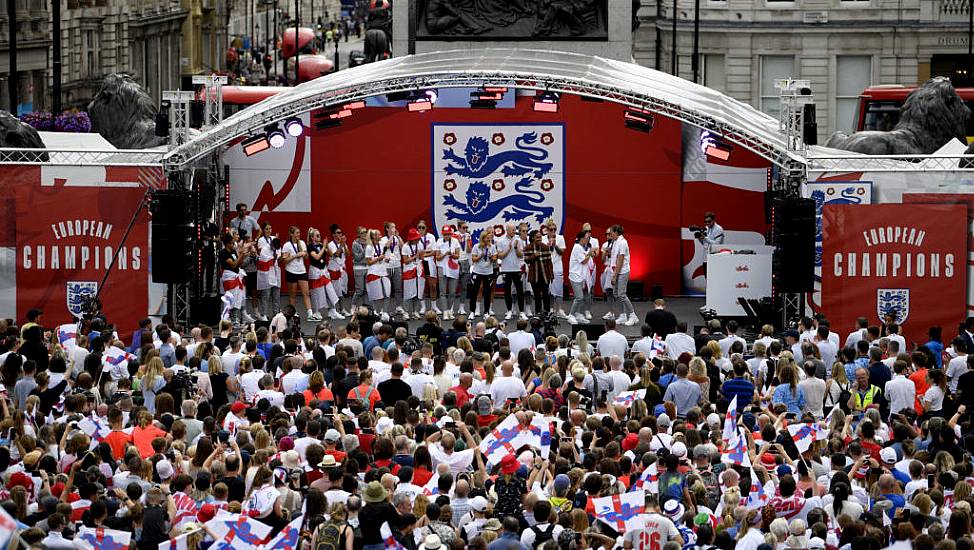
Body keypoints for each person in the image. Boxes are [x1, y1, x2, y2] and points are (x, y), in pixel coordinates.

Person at [307, 227, 342, 321]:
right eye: (317, 235)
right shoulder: (310, 246)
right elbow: (317, 257)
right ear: (312, 237)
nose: (319, 237)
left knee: (330, 290)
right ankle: (316, 312)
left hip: (324, 271)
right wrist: (324, 247)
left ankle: (333, 310)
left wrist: (326, 247)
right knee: (317, 292)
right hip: (315, 272)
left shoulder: (322, 245)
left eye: (319, 235)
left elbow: (332, 255)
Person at [606, 225, 638, 326]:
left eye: (611, 233)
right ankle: (623, 316)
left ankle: (633, 316)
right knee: (616, 294)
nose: (610, 235)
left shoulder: (623, 242)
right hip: (616, 270)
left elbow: (620, 260)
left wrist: (614, 275)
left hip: (623, 271)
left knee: (622, 294)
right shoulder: (615, 242)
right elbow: (614, 258)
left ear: (616, 232)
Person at [281, 225, 313, 320]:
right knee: (292, 295)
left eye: (299, 233)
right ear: (291, 234)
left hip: (302, 271)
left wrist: (305, 254)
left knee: (306, 293)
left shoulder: (302, 243)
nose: (298, 235)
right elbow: (284, 261)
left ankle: (310, 314)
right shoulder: (287, 245)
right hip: (291, 271)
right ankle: (293, 314)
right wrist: (296, 255)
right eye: (296, 233)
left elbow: (306, 257)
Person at [566, 230, 596, 325]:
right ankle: (571, 315)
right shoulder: (577, 247)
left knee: (581, 297)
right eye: (587, 238)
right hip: (575, 276)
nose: (588, 239)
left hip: (581, 276)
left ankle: (578, 314)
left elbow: (585, 258)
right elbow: (583, 261)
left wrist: (589, 253)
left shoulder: (581, 248)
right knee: (579, 297)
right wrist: (590, 254)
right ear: (582, 238)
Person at [497, 223, 526, 320]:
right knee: (507, 291)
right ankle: (509, 311)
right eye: (512, 230)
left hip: (517, 269)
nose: (514, 231)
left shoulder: (518, 240)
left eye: (515, 229)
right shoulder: (500, 240)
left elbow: (521, 255)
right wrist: (509, 248)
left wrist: (516, 248)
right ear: (507, 230)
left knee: (520, 291)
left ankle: (522, 312)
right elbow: (500, 256)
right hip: (506, 269)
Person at [524, 229, 553, 318]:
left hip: (545, 275)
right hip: (534, 275)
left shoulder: (545, 247)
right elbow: (526, 260)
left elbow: (549, 262)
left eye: (540, 237)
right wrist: (533, 256)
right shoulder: (528, 247)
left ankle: (547, 312)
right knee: (536, 295)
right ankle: (538, 313)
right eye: (537, 237)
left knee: (546, 294)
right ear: (533, 238)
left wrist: (551, 275)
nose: (539, 239)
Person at [255, 221, 282, 322]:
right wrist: (273, 255)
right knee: (266, 294)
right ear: (263, 230)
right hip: (266, 270)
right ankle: (264, 314)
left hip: (275, 269)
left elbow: (278, 252)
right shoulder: (261, 240)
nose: (269, 231)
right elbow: (263, 255)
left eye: (270, 228)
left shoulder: (275, 238)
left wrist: (280, 257)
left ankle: (276, 313)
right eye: (267, 229)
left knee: (276, 293)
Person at [435, 225, 462, 320]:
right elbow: (437, 257)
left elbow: (458, 255)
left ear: (451, 234)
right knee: (442, 291)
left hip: (453, 268)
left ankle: (450, 310)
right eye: (445, 234)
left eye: (448, 234)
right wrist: (445, 254)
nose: (447, 236)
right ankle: (445, 312)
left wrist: (452, 254)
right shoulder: (438, 241)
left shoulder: (455, 241)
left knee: (452, 292)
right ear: (442, 234)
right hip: (442, 267)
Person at [469, 232, 498, 318]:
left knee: (487, 292)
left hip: (488, 272)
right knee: (474, 292)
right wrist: (480, 256)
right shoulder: (476, 246)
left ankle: (486, 312)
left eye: (490, 238)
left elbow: (495, 258)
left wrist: (490, 257)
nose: (489, 239)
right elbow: (473, 259)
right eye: (487, 238)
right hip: (477, 271)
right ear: (483, 238)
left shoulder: (492, 247)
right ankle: (472, 312)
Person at [365, 229, 392, 315]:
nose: (381, 236)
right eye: (379, 235)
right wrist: (378, 258)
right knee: (377, 295)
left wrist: (386, 259)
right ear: (374, 237)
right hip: (374, 272)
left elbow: (384, 255)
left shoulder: (381, 244)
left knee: (387, 293)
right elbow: (368, 262)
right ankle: (376, 312)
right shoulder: (369, 247)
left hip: (383, 272)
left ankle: (384, 312)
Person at [380, 221, 405, 318]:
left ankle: (398, 306)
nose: (394, 228)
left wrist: (398, 237)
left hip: (397, 264)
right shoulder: (383, 239)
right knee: (387, 289)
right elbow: (386, 246)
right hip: (387, 266)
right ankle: (385, 309)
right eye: (392, 227)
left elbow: (403, 247)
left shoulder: (397, 238)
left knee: (398, 288)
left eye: (395, 227)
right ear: (387, 229)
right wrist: (391, 237)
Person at [695, 212, 724, 276]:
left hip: (715, 258)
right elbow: (705, 244)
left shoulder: (719, 229)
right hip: (706, 258)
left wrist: (705, 238)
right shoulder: (706, 228)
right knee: (707, 279)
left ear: (714, 220)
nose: (707, 223)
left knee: (714, 278)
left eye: (709, 221)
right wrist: (700, 239)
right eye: (705, 221)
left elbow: (716, 244)